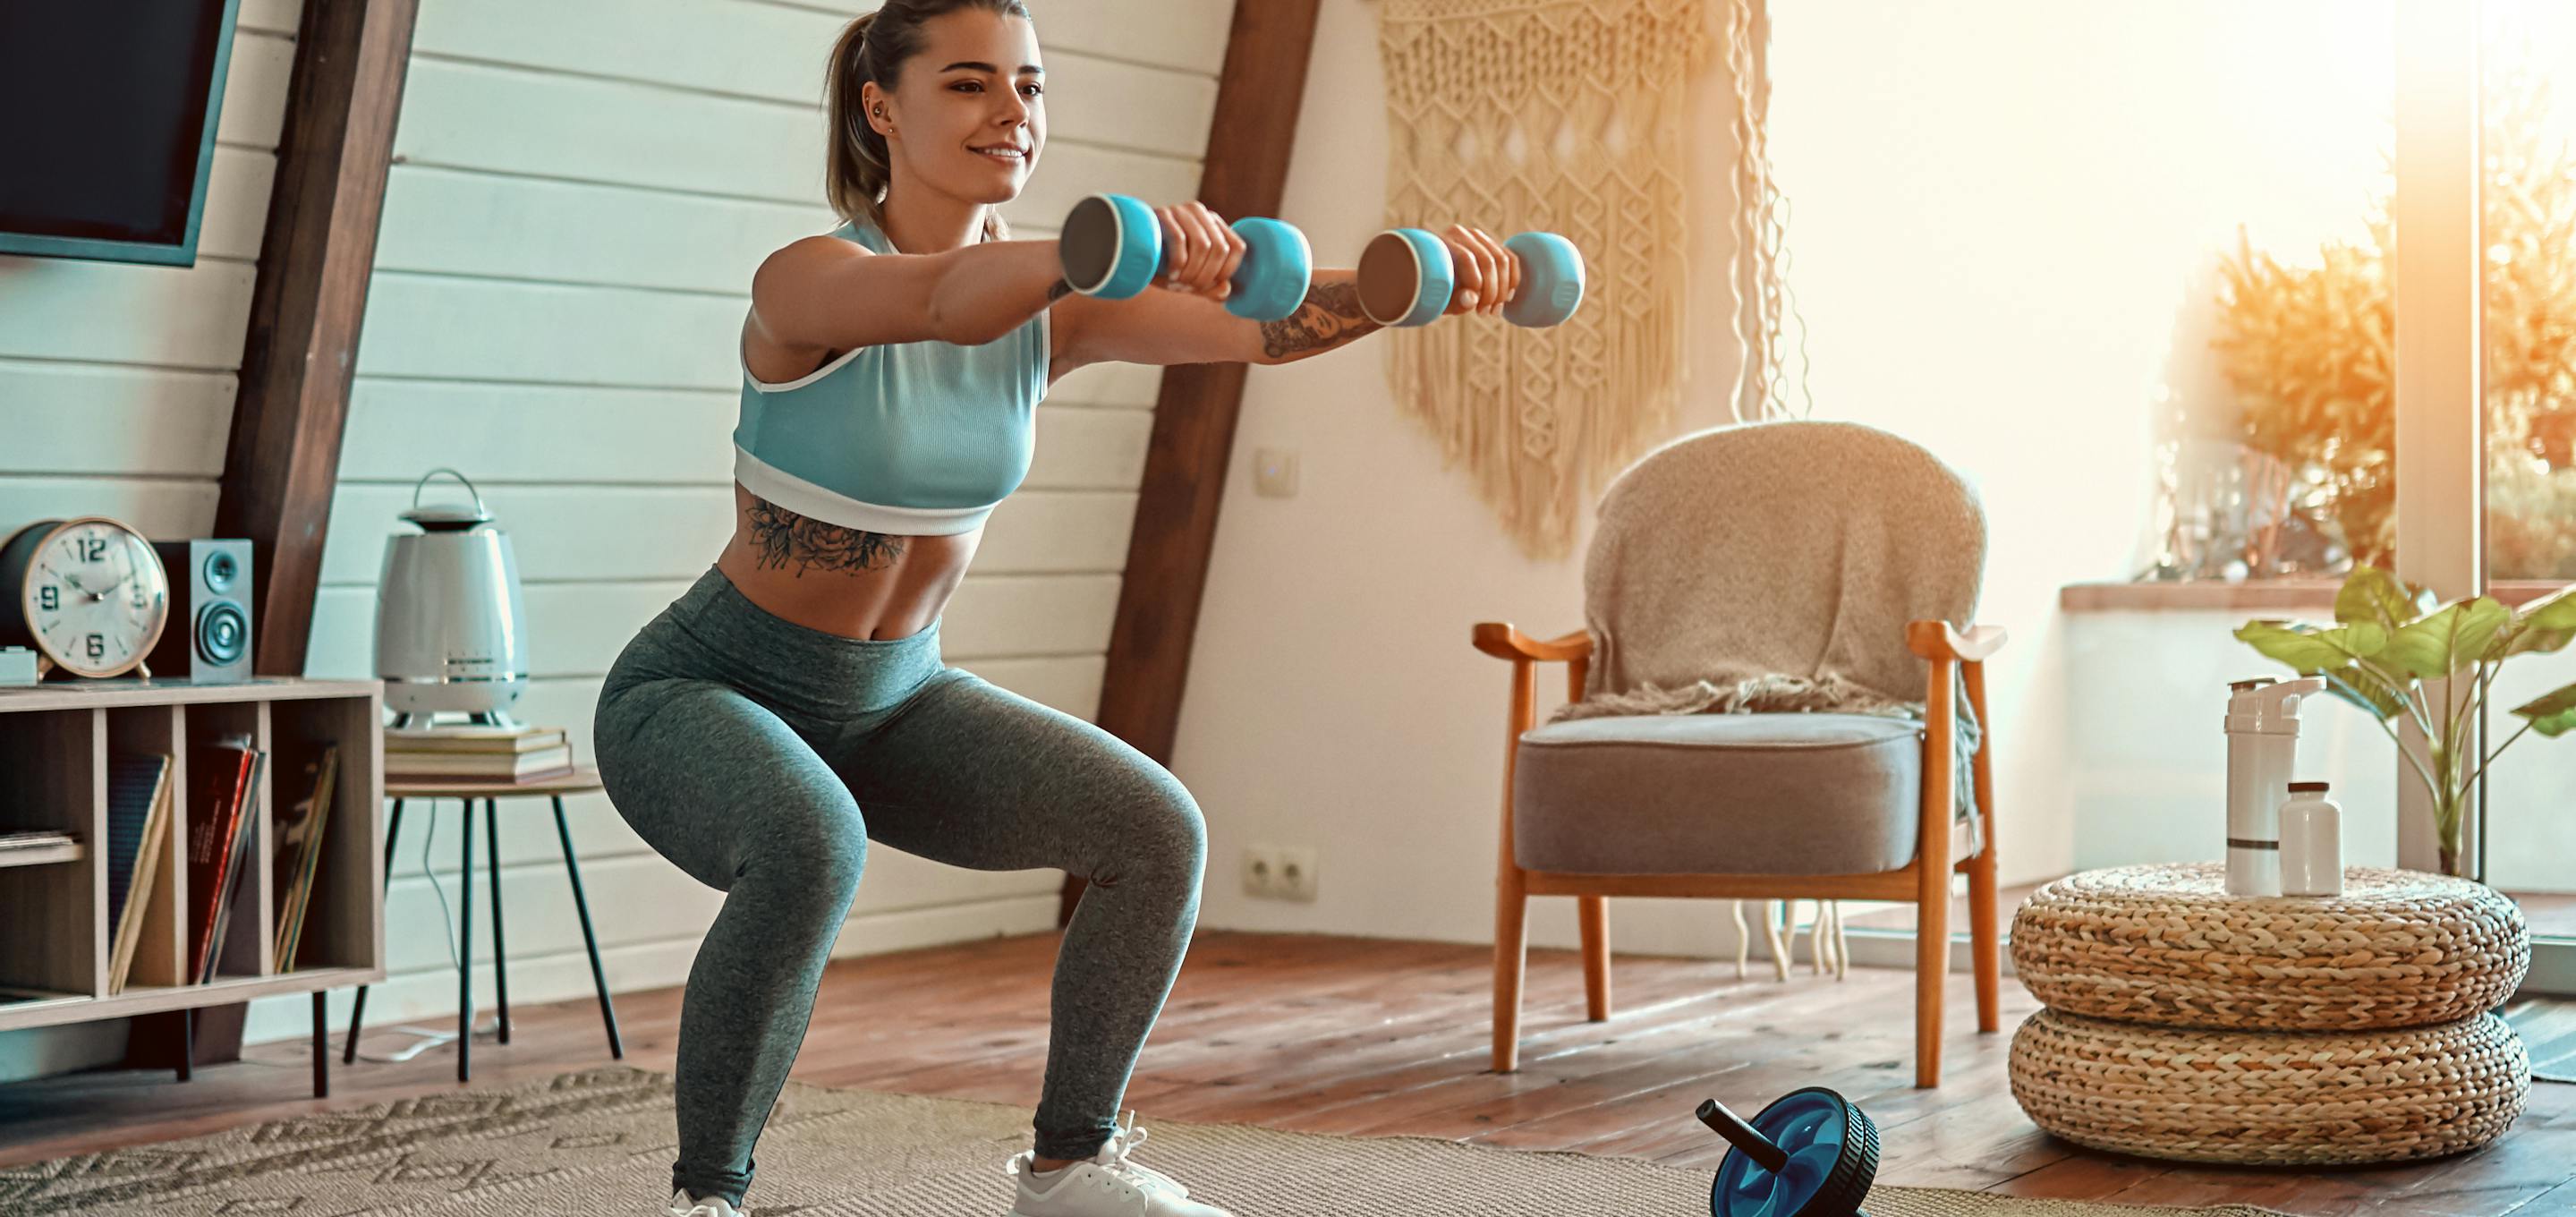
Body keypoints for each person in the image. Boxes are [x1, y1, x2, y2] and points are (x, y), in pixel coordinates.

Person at [591, 2, 1525, 1213]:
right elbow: (939, 302)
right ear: (882, 107)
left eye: (1031, 89)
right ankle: (706, 1198)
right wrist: (1092, 252)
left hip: (894, 701)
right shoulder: (809, 280)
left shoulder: (1058, 305)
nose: (1013, 114)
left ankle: (1070, 1169)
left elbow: (1265, 329)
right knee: (810, 844)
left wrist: (1415, 286)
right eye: (973, 85)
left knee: (1154, 832)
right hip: (704, 689)